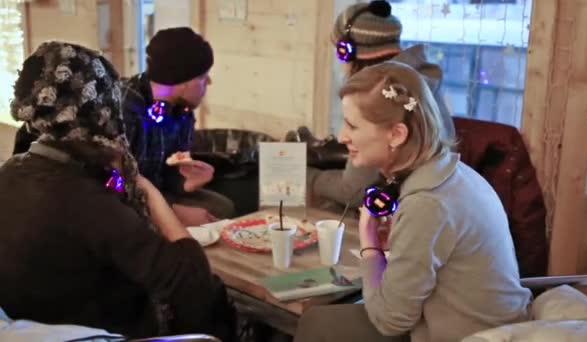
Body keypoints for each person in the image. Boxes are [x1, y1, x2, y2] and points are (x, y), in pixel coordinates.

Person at [0, 41, 237, 341]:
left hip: (26, 328)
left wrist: (174, 184)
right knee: (213, 300)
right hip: (96, 332)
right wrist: (149, 192)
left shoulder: (11, 171)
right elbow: (193, 283)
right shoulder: (86, 202)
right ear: (102, 108)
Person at [294, 61, 532, 341]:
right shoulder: (456, 173)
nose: (343, 136)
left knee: (317, 324)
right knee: (323, 319)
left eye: (352, 125)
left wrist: (369, 243)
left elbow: (390, 321)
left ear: (396, 134)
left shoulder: (427, 204)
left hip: (470, 335)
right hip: (488, 321)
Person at [11, 27, 235, 226]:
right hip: (111, 199)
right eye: (204, 77)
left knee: (221, 206)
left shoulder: (180, 112)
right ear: (185, 80)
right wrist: (171, 213)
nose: (209, 83)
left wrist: (183, 182)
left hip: (149, 193)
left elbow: (161, 174)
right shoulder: (120, 109)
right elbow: (105, 182)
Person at [300, 0, 455, 215]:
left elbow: (352, 192)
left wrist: (304, 174)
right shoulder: (417, 81)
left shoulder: (381, 99)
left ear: (349, 51)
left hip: (400, 214)